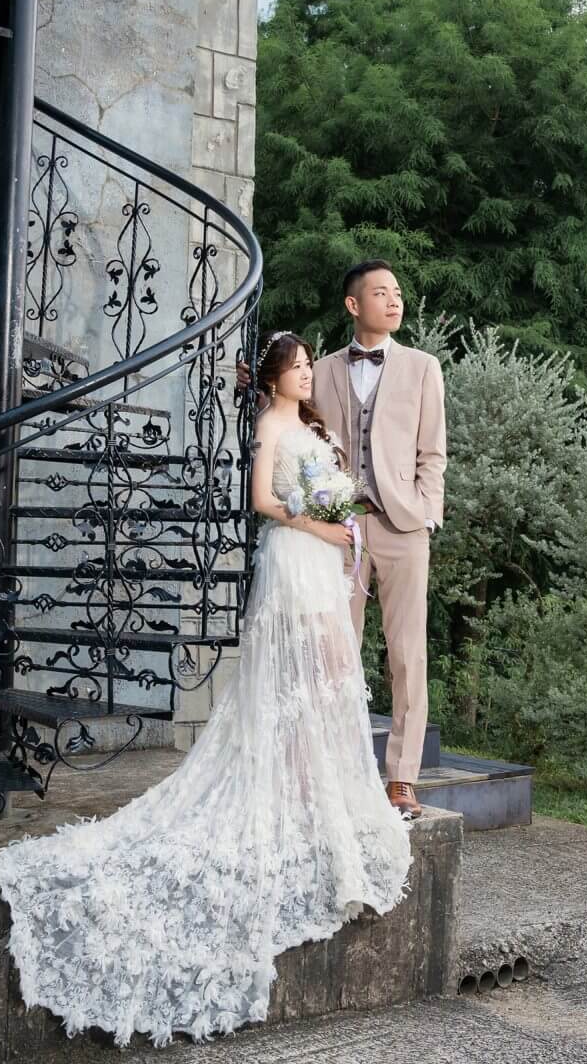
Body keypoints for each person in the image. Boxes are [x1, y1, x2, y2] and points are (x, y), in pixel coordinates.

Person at [0, 331, 412, 1047]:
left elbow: (334, 493)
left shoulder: (315, 426)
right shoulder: (271, 426)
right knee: (293, 686)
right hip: (295, 557)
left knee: (330, 681)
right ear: (273, 378)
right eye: (298, 367)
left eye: (311, 365)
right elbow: (261, 501)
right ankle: (294, 795)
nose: (308, 374)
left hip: (322, 563)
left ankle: (322, 794)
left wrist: (341, 519)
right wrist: (322, 525)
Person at [238, 261, 447, 818]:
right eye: (381, 293)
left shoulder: (423, 368)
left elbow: (433, 452)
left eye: (397, 292)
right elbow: (290, 424)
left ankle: (402, 778)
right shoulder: (321, 369)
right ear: (354, 305)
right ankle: (336, 771)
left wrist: (426, 514)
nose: (394, 300)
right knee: (335, 652)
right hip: (337, 532)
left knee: (407, 654)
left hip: (402, 527)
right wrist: (254, 387)